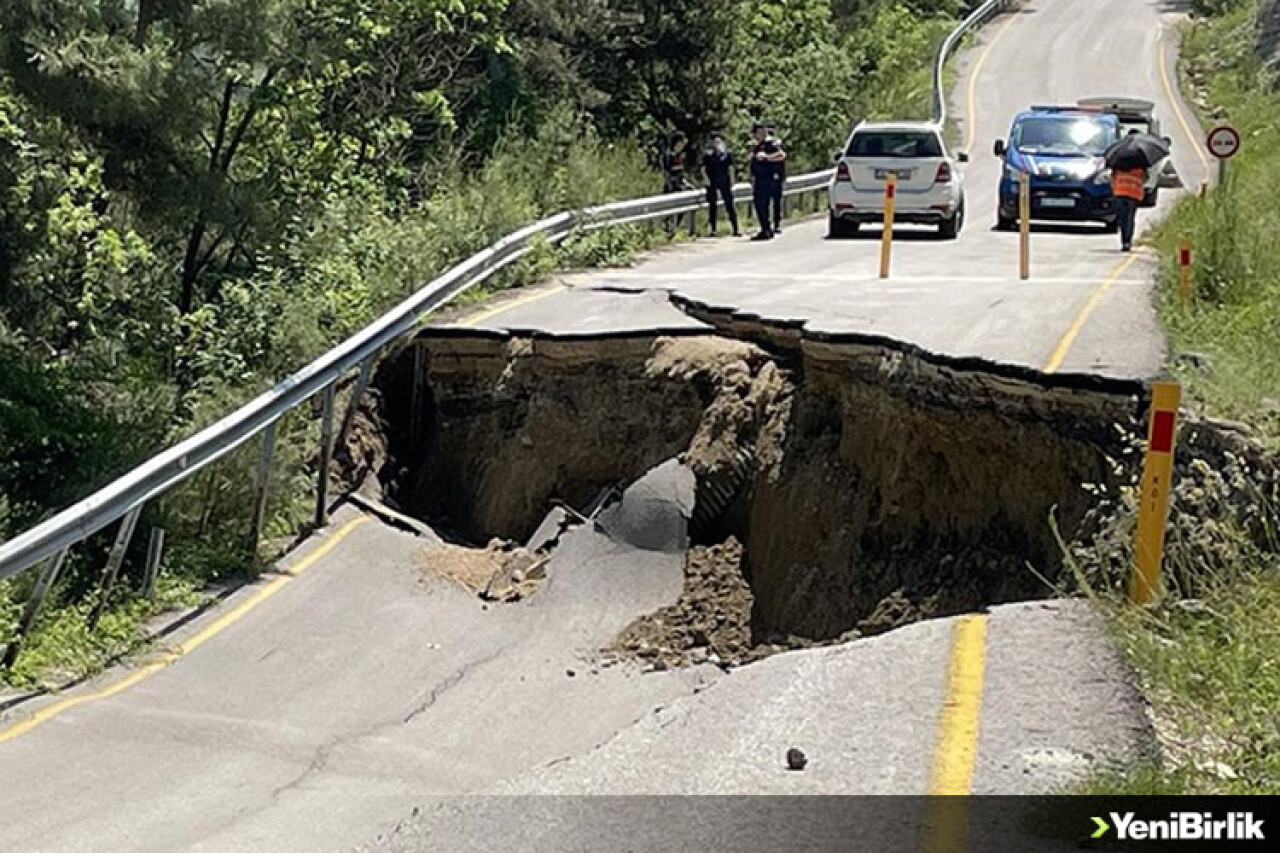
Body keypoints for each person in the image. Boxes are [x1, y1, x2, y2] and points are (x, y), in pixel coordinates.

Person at [749, 120, 785, 241]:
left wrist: (766, 157)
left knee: (763, 204)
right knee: (760, 205)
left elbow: (781, 155)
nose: (757, 134)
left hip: (768, 178)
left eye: (759, 131)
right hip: (759, 178)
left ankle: (767, 229)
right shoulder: (757, 145)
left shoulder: (771, 143)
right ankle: (766, 228)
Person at [702, 133, 739, 236]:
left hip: (724, 181)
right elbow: (703, 169)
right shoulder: (708, 155)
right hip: (712, 182)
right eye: (715, 142)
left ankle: (735, 228)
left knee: (729, 205)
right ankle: (713, 229)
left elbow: (730, 168)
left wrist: (732, 180)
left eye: (719, 142)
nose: (717, 144)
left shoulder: (727, 154)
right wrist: (707, 181)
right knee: (712, 206)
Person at [1112, 162, 1147, 252]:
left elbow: (1113, 177)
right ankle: (1127, 242)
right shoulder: (1141, 164)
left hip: (1120, 192)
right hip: (1133, 193)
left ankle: (1124, 241)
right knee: (1129, 218)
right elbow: (1144, 178)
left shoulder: (1117, 164)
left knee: (1122, 218)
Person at [766, 122, 788, 233]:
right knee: (775, 202)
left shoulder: (776, 144)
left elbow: (782, 158)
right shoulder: (764, 144)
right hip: (773, 176)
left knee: (774, 201)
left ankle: (775, 223)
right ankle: (774, 224)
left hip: (774, 175)